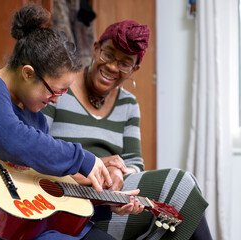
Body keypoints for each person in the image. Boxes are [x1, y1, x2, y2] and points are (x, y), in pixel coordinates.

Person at [0, 5, 144, 240]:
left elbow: (44, 189)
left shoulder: (35, 115)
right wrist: (82, 158)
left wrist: (108, 205)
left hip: (28, 218)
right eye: (55, 91)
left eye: (64, 91)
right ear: (27, 73)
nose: (57, 100)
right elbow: (14, 142)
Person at [42, 20, 213, 239]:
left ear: (134, 69)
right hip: (67, 194)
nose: (113, 67)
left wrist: (119, 174)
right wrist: (98, 164)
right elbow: (38, 147)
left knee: (178, 206)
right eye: (109, 55)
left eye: (125, 63)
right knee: (182, 184)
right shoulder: (60, 89)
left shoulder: (128, 104)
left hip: (113, 201)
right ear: (96, 48)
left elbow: (135, 164)